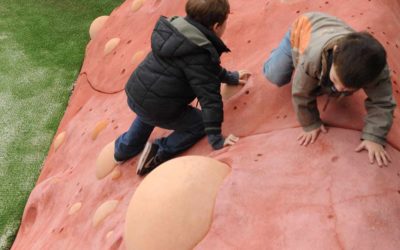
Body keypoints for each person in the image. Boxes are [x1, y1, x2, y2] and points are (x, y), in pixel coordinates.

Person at [114, 0, 251, 176]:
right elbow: (209, 99)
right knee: (199, 123)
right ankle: (159, 151)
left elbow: (205, 70)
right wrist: (217, 140)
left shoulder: (174, 30)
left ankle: (123, 150)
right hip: (157, 104)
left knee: (147, 112)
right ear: (217, 26)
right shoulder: (200, 54)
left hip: (137, 91)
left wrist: (229, 77)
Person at [263, 12, 396, 167]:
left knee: (326, 86)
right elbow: (301, 92)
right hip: (302, 30)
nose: (339, 88)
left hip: (333, 33)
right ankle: (281, 54)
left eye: (347, 88)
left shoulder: (377, 71)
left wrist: (374, 136)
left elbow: (382, 103)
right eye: (335, 80)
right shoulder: (312, 58)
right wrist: (310, 123)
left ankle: (328, 78)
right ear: (335, 55)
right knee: (275, 75)